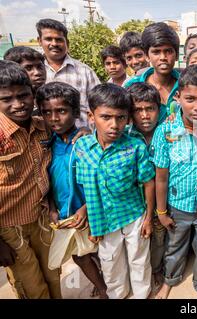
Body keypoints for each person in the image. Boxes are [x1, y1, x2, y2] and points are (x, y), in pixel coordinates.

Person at [73, 83, 155, 299]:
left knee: (139, 259)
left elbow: (148, 182)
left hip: (134, 214)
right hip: (104, 220)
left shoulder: (135, 146)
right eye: (106, 117)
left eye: (121, 118)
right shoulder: (83, 148)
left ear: (128, 118)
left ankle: (142, 294)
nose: (114, 125)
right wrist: (91, 219)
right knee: (110, 263)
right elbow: (87, 188)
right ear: (92, 116)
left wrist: (148, 218)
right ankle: (118, 294)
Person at [152, 65, 197, 300]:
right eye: (190, 99)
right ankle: (170, 280)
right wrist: (161, 211)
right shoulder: (166, 131)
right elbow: (161, 177)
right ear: (178, 97)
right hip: (178, 203)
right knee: (175, 247)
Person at [35, 81, 108, 299]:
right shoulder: (46, 145)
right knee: (79, 255)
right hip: (66, 214)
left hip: (92, 210)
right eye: (47, 113)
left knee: (101, 249)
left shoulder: (87, 141)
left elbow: (102, 180)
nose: (54, 118)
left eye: (61, 111)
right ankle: (102, 287)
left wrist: (86, 208)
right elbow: (46, 181)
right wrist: (52, 207)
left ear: (75, 112)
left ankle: (109, 281)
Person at [0, 60, 61, 299]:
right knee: (31, 286)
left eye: (23, 95)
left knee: (53, 275)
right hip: (9, 227)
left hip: (41, 217)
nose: (18, 104)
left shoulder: (42, 127)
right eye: (7, 99)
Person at [125, 82, 165, 290]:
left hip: (163, 201)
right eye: (138, 110)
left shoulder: (167, 132)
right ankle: (140, 275)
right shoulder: (125, 136)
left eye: (150, 109)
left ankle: (157, 268)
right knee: (138, 242)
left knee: (159, 238)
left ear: (159, 109)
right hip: (135, 203)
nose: (145, 115)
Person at [36, 18, 100, 128]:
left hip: (80, 139)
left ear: (67, 42)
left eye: (59, 39)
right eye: (48, 39)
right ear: (39, 41)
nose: (54, 43)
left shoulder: (84, 71)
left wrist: (90, 131)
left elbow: (100, 106)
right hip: (44, 139)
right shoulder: (33, 72)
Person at [125, 22, 180, 123]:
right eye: (156, 52)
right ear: (147, 56)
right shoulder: (131, 86)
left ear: (176, 55)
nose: (163, 57)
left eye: (168, 51)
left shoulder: (187, 85)